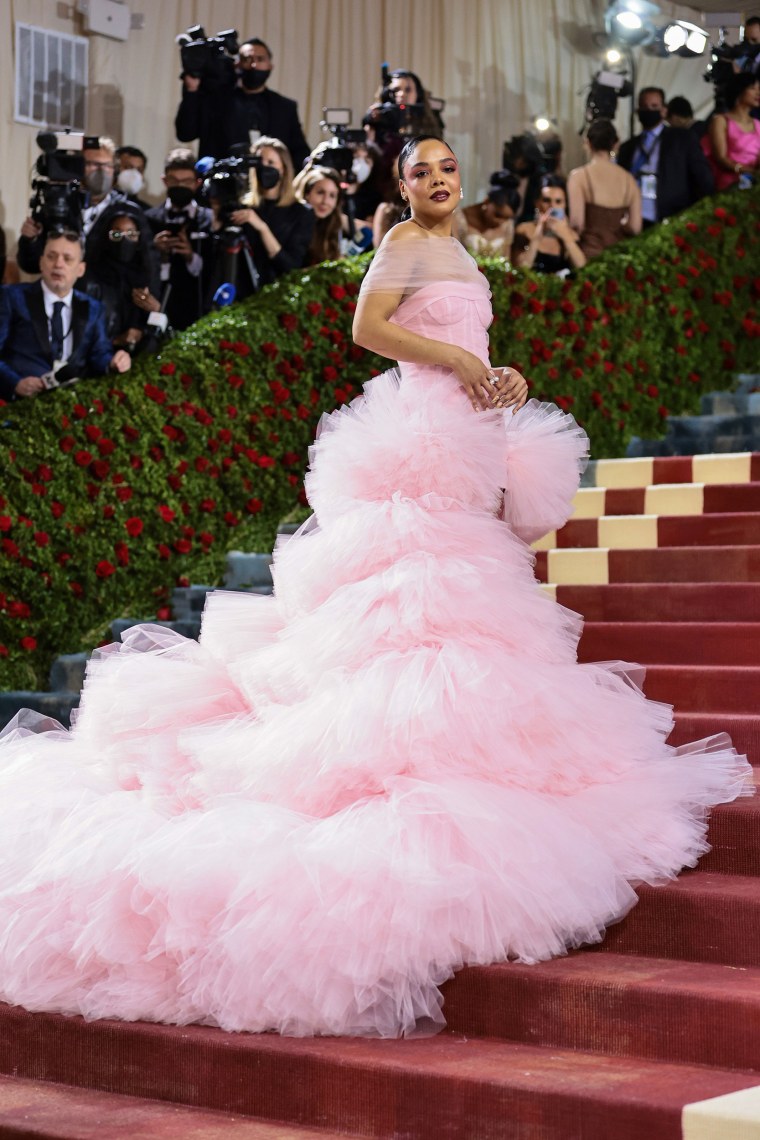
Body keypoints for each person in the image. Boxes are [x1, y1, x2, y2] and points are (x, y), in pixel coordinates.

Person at [0, 134, 750, 1041]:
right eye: (421, 170)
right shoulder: (399, 245)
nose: (439, 178)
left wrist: (495, 373)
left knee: (468, 602)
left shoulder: (466, 249)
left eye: (447, 167)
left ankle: (460, 754)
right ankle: (388, 759)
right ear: (400, 185)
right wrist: (462, 366)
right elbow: (367, 330)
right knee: (407, 594)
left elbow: (467, 338)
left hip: (467, 431)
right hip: (413, 437)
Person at [0, 227, 131, 400]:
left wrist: (114, 361)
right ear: (41, 262)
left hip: (71, 403)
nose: (58, 264)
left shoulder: (93, 307)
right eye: (51, 257)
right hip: (20, 403)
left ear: (80, 269)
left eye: (67, 259)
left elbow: (100, 354)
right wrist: (15, 383)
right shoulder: (12, 297)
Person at [175, 37, 310, 169]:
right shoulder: (215, 100)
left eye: (260, 59)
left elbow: (299, 152)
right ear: (237, 64)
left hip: (270, 186)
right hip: (222, 184)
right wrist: (192, 90)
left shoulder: (285, 108)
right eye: (247, 59)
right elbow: (185, 133)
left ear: (270, 66)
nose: (254, 65)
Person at [207, 135, 313, 300]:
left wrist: (261, 227)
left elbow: (291, 266)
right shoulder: (243, 207)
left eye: (271, 163)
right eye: (259, 163)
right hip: (240, 296)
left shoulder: (301, 212)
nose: (264, 168)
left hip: (277, 298)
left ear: (283, 168)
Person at [617, 87, 714, 225]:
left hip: (671, 216)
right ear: (638, 111)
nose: (649, 110)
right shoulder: (628, 147)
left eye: (654, 106)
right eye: (644, 107)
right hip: (633, 218)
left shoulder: (682, 139)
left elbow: (703, 178)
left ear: (664, 110)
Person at [145, 148, 215, 330]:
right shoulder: (149, 218)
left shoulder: (209, 219)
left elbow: (214, 269)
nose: (180, 186)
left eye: (186, 181)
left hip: (196, 308)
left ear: (197, 183)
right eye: (174, 181)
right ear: (164, 181)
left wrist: (190, 255)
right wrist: (156, 252)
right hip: (157, 306)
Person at [80, 206, 161, 351]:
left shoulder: (147, 276)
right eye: (116, 235)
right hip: (100, 359)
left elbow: (162, 333)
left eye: (131, 234)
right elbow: (82, 331)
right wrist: (116, 341)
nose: (124, 240)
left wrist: (156, 309)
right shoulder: (90, 278)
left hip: (140, 359)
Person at [566, 119, 642, 260]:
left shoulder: (578, 177)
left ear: (587, 143)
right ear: (615, 144)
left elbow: (577, 224)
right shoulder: (629, 180)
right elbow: (635, 227)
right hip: (619, 257)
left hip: (588, 255)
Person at [511, 177, 587, 273]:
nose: (552, 206)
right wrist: (537, 236)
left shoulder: (572, 235)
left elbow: (582, 268)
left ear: (565, 205)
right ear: (537, 203)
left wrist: (567, 238)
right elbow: (520, 269)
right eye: (546, 200)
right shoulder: (524, 230)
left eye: (558, 201)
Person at [701, 73, 760, 189]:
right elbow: (721, 158)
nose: (758, 93)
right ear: (739, 91)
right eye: (753, 88)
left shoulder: (758, 124)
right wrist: (745, 170)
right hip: (729, 184)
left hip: (754, 183)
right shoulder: (721, 121)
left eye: (759, 89)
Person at [458, 170, 520, 258]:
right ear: (487, 201)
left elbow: (506, 261)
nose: (501, 222)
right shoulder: (461, 218)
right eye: (497, 215)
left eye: (506, 218)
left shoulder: (508, 225)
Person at [293, 165, 344, 264]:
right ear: (307, 194)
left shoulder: (334, 225)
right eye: (320, 192)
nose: (325, 201)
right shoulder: (292, 223)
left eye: (332, 196)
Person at [115, 145, 152, 212]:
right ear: (114, 168)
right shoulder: (102, 206)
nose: (134, 174)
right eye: (128, 167)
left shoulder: (146, 212)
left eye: (139, 170)